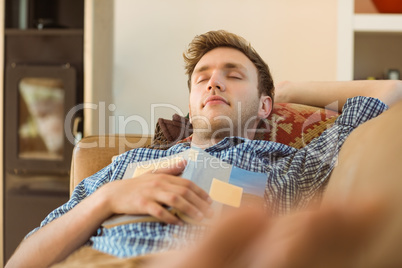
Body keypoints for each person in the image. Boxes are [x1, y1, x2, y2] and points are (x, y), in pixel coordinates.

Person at [6, 30, 402, 267]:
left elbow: (389, 90)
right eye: (202, 78)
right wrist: (107, 198)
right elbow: (22, 260)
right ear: (191, 102)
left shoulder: (286, 168)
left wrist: (288, 91)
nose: (214, 84)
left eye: (233, 75)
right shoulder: (129, 162)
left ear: (266, 105)